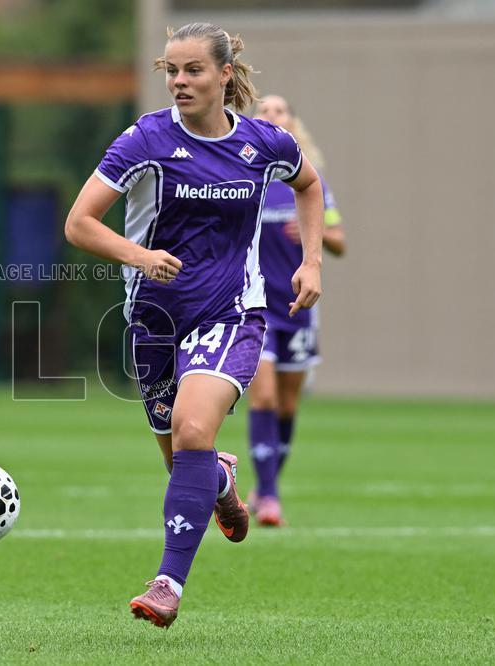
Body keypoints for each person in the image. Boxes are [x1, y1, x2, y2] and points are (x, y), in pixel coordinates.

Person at [65, 23, 323, 629]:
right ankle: (221, 482)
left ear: (224, 74)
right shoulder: (145, 139)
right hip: (153, 318)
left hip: (231, 311)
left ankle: (167, 584)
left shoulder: (265, 143)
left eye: (193, 71)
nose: (179, 82)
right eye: (171, 71)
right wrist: (140, 257)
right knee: (182, 455)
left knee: (191, 430)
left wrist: (310, 261)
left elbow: (308, 186)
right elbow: (80, 223)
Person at [246, 94, 346, 526]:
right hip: (255, 305)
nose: (271, 116)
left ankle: (267, 484)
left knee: (287, 407)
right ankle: (269, 496)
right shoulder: (245, 176)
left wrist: (313, 236)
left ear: (291, 122)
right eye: (263, 111)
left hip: (299, 308)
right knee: (263, 396)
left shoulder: (311, 181)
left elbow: (340, 240)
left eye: (279, 111)